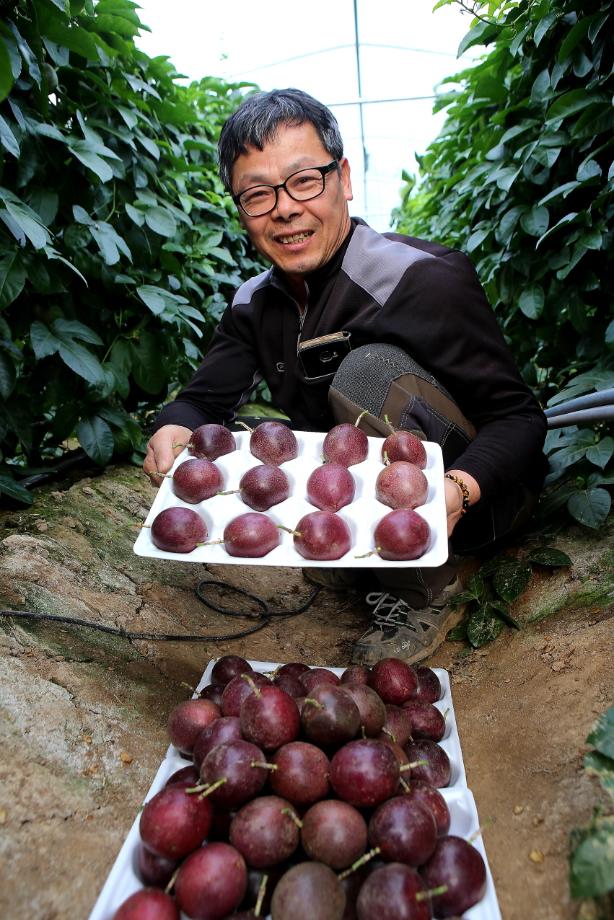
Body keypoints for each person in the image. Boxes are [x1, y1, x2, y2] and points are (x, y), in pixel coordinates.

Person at [144, 88, 548, 666]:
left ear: (344, 179)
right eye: (258, 195)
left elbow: (520, 419)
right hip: (373, 496)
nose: (284, 209)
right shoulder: (253, 305)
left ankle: (430, 586)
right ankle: (365, 553)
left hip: (477, 503)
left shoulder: (420, 281)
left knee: (367, 373)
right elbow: (202, 399)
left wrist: (457, 491)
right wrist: (173, 427)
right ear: (241, 210)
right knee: (273, 441)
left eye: (304, 180)